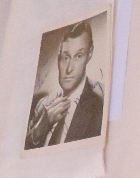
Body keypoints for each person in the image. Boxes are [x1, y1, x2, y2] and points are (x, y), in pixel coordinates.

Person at [24, 20, 104, 149]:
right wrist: (38, 130)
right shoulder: (39, 104)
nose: (69, 69)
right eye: (65, 57)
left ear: (90, 54)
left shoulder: (98, 110)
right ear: (58, 58)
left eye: (78, 56)